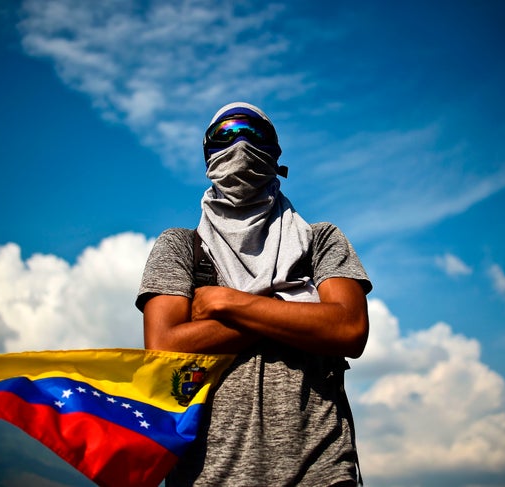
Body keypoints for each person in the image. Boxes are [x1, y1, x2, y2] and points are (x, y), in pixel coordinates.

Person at [136, 102, 372, 486]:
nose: (240, 144)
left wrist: (226, 304)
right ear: (208, 157)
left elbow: (349, 330)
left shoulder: (321, 240)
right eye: (224, 136)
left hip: (321, 471)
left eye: (254, 133)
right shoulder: (180, 247)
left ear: (275, 155)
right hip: (207, 475)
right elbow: (164, 346)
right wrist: (295, 311)